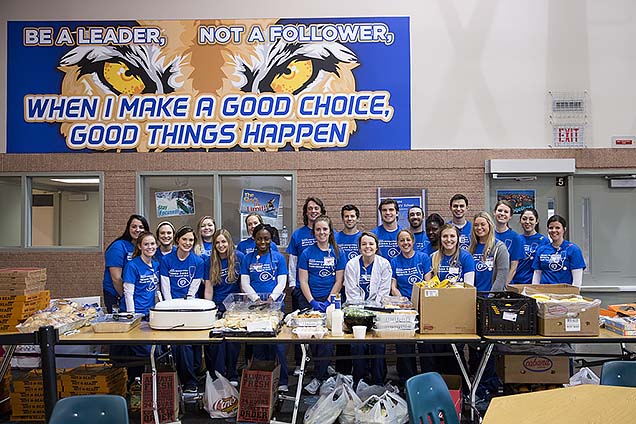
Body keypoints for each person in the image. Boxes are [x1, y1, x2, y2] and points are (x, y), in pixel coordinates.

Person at [298, 215, 346, 394]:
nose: (321, 232)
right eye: (318, 229)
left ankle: (319, 376)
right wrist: (312, 301)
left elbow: (339, 280)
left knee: (327, 340)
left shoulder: (337, 252)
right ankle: (322, 371)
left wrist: (328, 301)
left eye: (325, 229)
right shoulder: (307, 253)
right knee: (314, 339)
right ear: (314, 232)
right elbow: (303, 281)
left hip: (331, 302)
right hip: (311, 301)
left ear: (330, 231)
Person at [241, 223, 289, 391]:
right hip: (255, 308)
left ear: (271, 240)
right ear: (254, 239)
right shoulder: (247, 258)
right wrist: (256, 300)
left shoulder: (278, 258)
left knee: (278, 345)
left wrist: (271, 298)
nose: (263, 242)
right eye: (259, 238)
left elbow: (282, 281)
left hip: (275, 307)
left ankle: (282, 381)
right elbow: (244, 282)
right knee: (259, 344)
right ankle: (261, 381)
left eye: (266, 239)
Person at [159, 225, 205, 393]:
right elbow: (165, 287)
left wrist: (185, 309)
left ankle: (191, 377)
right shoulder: (166, 260)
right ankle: (187, 381)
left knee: (189, 344)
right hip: (170, 307)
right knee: (180, 345)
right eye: (184, 239)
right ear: (177, 240)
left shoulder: (198, 262)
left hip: (189, 307)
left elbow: (193, 290)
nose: (187, 243)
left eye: (191, 240)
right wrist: (171, 310)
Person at [344, 231, 392, 385]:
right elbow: (351, 293)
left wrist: (370, 310)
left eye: (371, 243)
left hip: (377, 313)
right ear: (359, 247)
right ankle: (359, 380)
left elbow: (383, 293)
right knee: (358, 345)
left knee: (378, 345)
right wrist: (361, 312)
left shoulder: (384, 264)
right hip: (356, 314)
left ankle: (378, 382)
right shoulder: (351, 264)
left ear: (377, 247)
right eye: (364, 244)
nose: (367, 247)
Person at [286, 196, 325, 374]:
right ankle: (299, 363)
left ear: (321, 211)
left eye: (316, 208)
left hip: (321, 290)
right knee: (300, 328)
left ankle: (321, 365)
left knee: (321, 329)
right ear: (306, 212)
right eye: (310, 208)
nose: (313, 211)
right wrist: (293, 285)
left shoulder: (325, 232)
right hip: (302, 289)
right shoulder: (298, 234)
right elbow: (293, 262)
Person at [115, 231, 160, 382]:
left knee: (152, 351)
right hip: (135, 314)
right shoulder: (132, 265)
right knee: (138, 353)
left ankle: (146, 383)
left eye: (152, 244)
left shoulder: (156, 264)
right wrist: (132, 316)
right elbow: (128, 293)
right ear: (140, 246)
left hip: (150, 314)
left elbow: (156, 290)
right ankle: (135, 383)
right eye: (146, 244)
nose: (150, 247)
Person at [390, 229, 432, 384]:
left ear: (413, 241)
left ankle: (428, 379)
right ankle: (407, 381)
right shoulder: (394, 261)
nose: (405, 243)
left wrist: (418, 299)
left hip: (423, 307)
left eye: (408, 240)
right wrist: (401, 300)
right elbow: (393, 286)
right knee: (404, 347)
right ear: (398, 243)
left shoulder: (423, 258)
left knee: (425, 345)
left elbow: (428, 283)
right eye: (402, 240)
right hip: (403, 309)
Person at [203, 229, 244, 386]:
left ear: (229, 242)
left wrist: (243, 307)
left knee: (233, 343)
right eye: (218, 242)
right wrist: (209, 310)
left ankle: (232, 373)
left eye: (224, 241)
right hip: (217, 305)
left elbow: (242, 286)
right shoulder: (209, 261)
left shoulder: (239, 257)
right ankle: (218, 375)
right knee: (218, 343)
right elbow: (208, 288)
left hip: (234, 308)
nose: (221, 245)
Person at [103, 214, 150, 313]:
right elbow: (116, 278)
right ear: (128, 228)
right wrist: (125, 298)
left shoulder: (143, 247)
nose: (137, 230)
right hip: (117, 295)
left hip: (134, 297)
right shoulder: (118, 246)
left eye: (141, 227)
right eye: (134, 227)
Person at [532, 215, 586, 286]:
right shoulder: (542, 250)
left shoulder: (573, 249)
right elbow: (537, 275)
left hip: (564, 294)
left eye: (557, 228)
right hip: (544, 293)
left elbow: (577, 281)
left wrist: (573, 295)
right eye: (551, 228)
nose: (554, 230)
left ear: (564, 229)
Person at [469, 212, 509, 292]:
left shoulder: (500, 248)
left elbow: (501, 277)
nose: (479, 228)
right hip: (473, 297)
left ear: (489, 225)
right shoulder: (470, 249)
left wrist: (491, 297)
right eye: (476, 225)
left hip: (491, 298)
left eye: (483, 224)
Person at [511, 208, 549, 285]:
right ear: (520, 220)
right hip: (516, 282)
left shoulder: (544, 241)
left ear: (537, 221)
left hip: (535, 283)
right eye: (524, 219)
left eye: (531, 219)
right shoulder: (516, 239)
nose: (527, 222)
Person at [493, 200, 524, 284]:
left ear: (510, 216)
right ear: (494, 212)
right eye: (499, 210)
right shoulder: (488, 234)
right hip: (487, 282)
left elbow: (513, 267)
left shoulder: (515, 238)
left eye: (506, 212)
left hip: (505, 284)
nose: (502, 214)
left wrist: (504, 285)